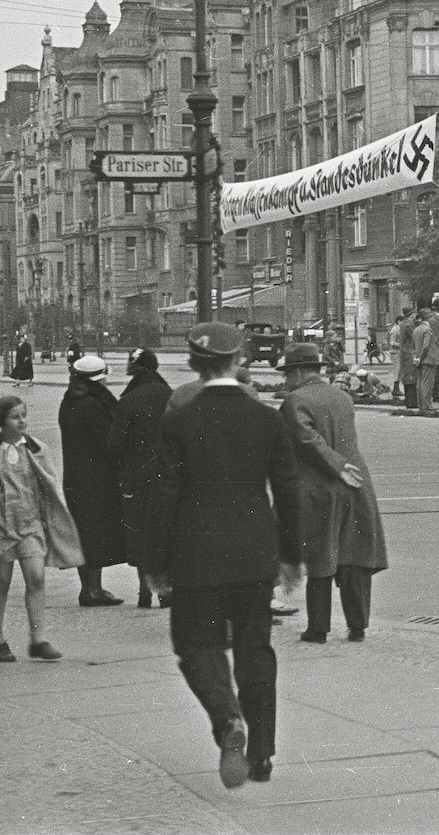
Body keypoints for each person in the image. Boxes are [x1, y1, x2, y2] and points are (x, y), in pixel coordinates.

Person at [143, 322, 303, 789]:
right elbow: (288, 490)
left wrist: (154, 563)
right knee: (255, 648)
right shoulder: (267, 419)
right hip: (255, 551)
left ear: (194, 363)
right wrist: (291, 555)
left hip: (195, 555)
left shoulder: (179, 421)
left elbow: (163, 496)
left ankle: (227, 716)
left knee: (196, 645)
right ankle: (262, 754)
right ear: (239, 360)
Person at [278, 344, 388, 645]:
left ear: (299, 372)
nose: (286, 380)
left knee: (321, 556)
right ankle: (358, 626)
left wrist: (336, 466)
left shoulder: (295, 400)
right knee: (354, 556)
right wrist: (344, 466)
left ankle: (318, 628)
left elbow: (308, 440)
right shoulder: (342, 396)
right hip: (357, 480)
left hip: (320, 485)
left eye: (287, 374)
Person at [0, 396, 84, 662]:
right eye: (15, 417)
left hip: (30, 525)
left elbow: (49, 486)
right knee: (1, 582)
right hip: (2, 527)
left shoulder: (36, 449)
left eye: (24, 415)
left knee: (36, 577)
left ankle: (38, 639)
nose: (22, 421)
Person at [105, 348, 172, 609]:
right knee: (164, 528)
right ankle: (165, 591)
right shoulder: (170, 395)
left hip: (136, 475)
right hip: (167, 473)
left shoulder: (129, 399)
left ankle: (145, 591)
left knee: (140, 530)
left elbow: (114, 443)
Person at [59, 355, 125, 607]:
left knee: (84, 531)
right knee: (95, 532)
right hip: (96, 479)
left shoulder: (69, 401)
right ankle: (93, 590)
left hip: (75, 476)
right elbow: (108, 441)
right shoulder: (92, 405)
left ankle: (88, 588)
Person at [413, 308, 439, 415]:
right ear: (428, 318)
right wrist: (421, 357)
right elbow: (426, 346)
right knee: (427, 383)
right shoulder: (428, 329)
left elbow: (413, 346)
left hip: (418, 359)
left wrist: (416, 357)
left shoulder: (416, 329)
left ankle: (421, 405)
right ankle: (427, 405)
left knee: (420, 382)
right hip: (428, 359)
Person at [395, 307, 419, 411]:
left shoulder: (403, 323)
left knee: (407, 378)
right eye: (414, 313)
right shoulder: (409, 324)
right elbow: (414, 338)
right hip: (409, 353)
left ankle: (409, 401)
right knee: (412, 377)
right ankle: (413, 402)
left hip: (404, 353)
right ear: (411, 314)